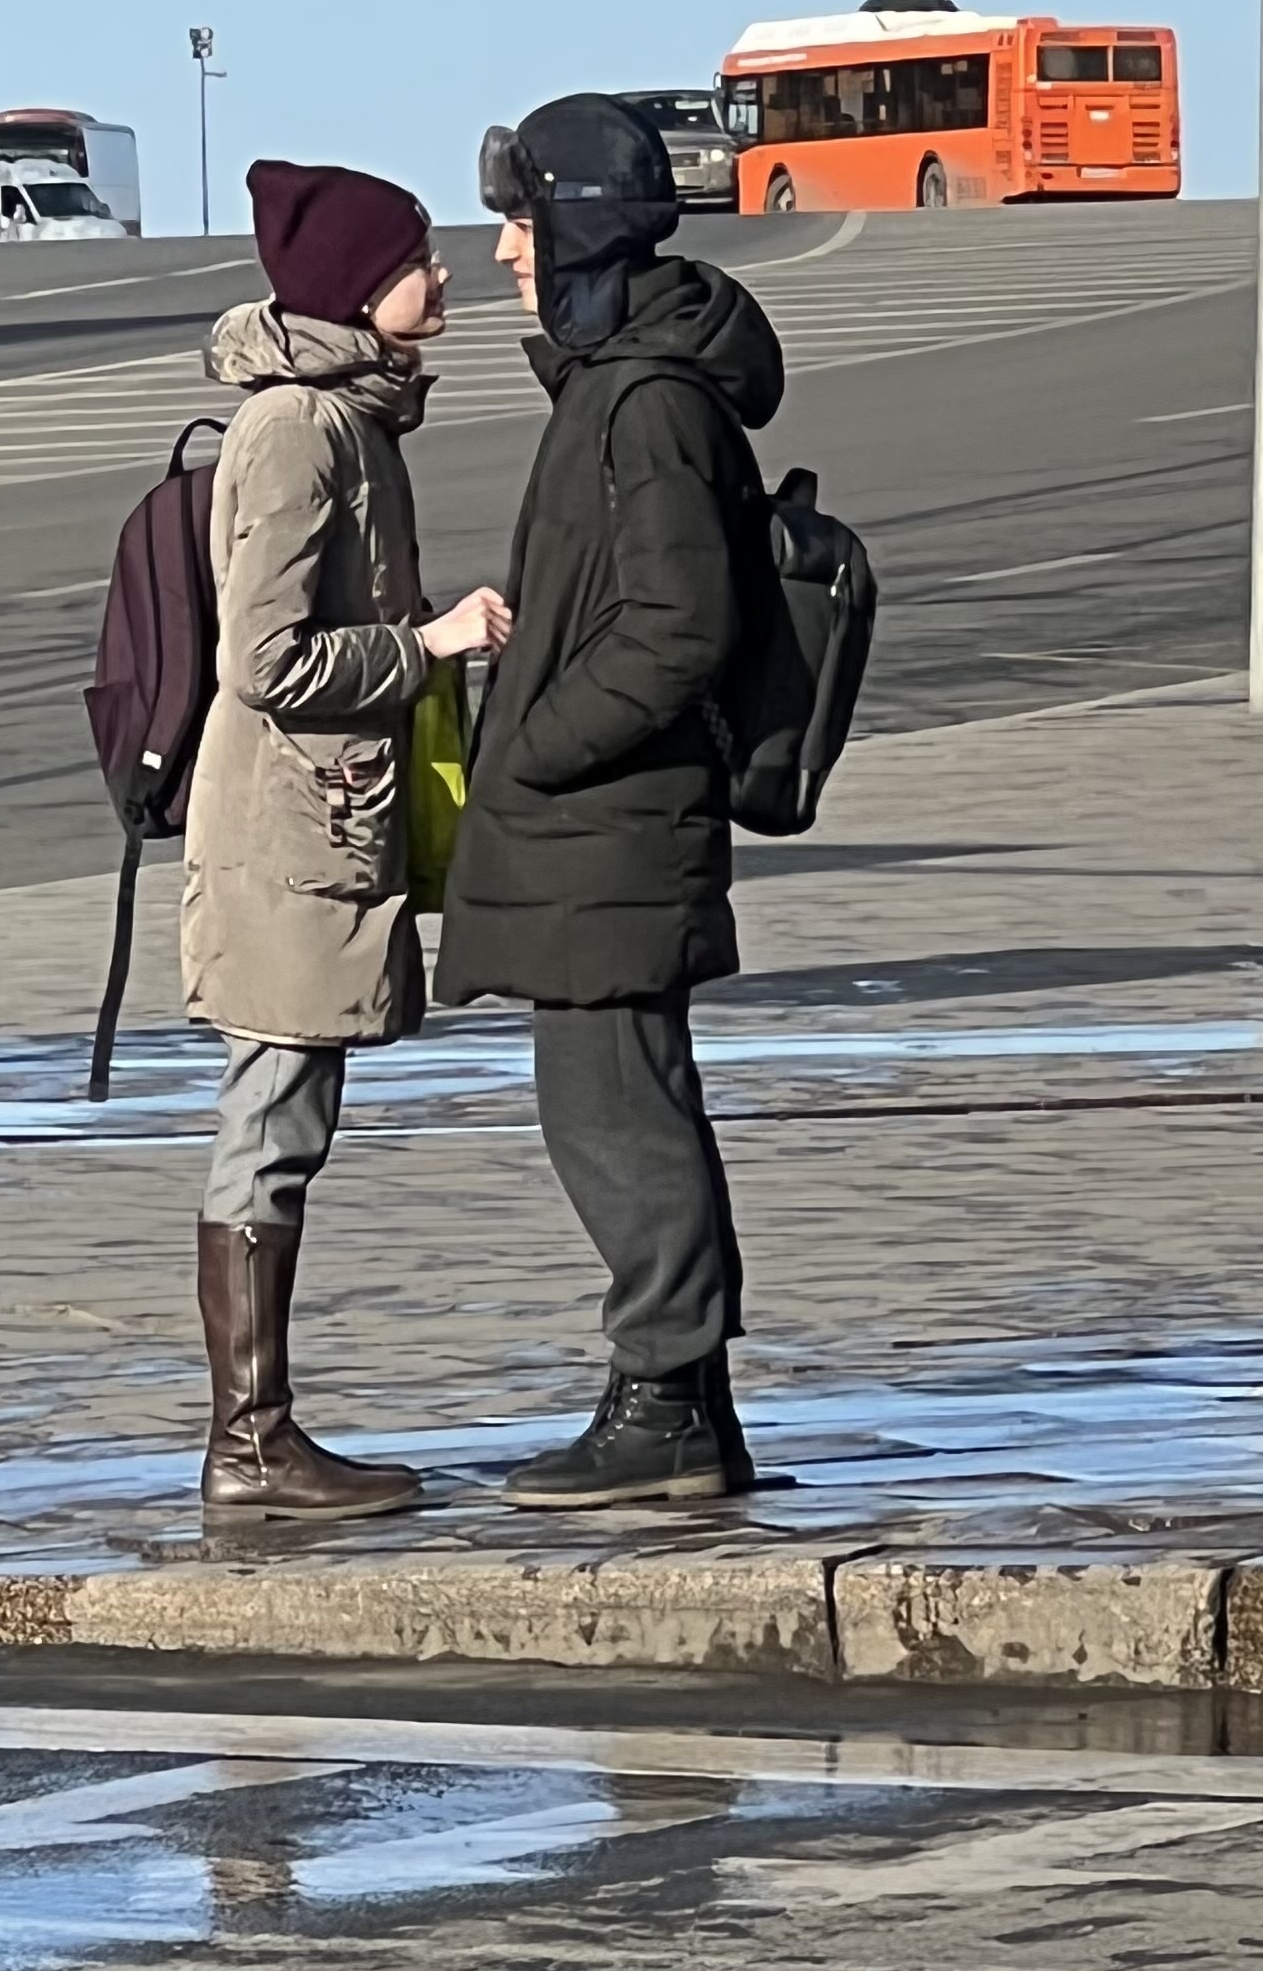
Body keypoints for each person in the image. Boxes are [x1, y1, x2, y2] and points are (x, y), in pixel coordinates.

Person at [436, 95, 785, 1507]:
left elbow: (677, 627)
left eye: (521, 227)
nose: (504, 256)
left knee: (616, 1116)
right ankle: (676, 1400)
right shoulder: (622, 382)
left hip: (612, 821)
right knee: (623, 1109)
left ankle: (666, 1403)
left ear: (578, 228)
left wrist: (537, 747)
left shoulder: (644, 399)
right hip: (606, 824)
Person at [184, 159, 510, 1518]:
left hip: (330, 819)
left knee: (291, 1114)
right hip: (288, 831)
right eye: (421, 257)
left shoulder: (354, 421)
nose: (447, 276)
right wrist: (424, 646)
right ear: (357, 289)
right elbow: (263, 660)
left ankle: (260, 1436)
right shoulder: (298, 433)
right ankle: (250, 1444)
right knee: (272, 1115)